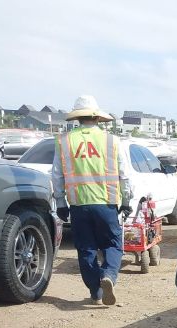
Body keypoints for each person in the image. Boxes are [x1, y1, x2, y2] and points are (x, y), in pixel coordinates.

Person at [52, 95, 132, 305]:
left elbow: (57, 175)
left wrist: (60, 203)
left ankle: (96, 292)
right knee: (112, 245)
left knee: (86, 249)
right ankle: (108, 275)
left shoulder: (63, 141)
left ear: (78, 118)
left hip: (78, 205)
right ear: (97, 118)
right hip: (106, 204)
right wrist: (126, 201)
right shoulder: (111, 141)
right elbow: (124, 175)